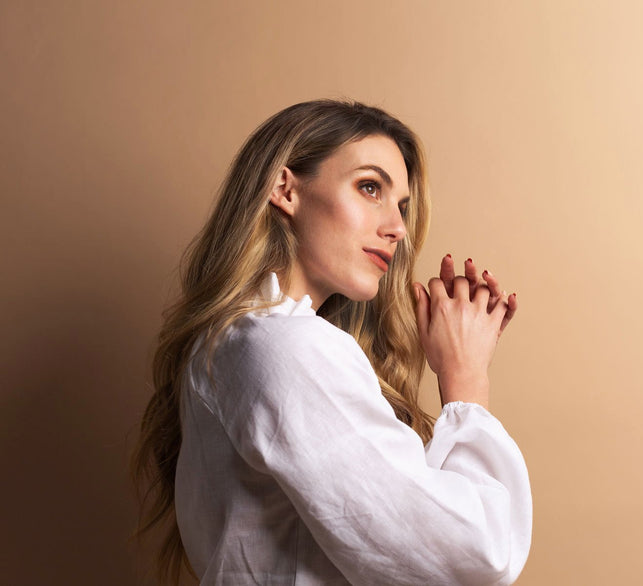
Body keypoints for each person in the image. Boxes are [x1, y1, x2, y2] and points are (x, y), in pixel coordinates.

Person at [132, 99, 532, 586]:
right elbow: (474, 556)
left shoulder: (233, 341)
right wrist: (465, 376)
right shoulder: (287, 348)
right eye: (370, 188)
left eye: (401, 206)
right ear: (286, 189)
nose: (397, 228)